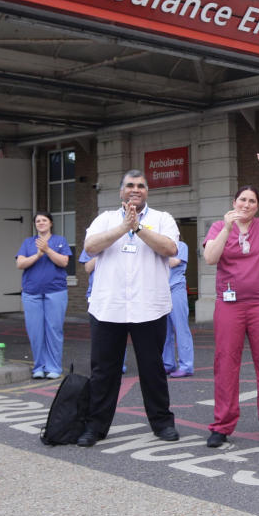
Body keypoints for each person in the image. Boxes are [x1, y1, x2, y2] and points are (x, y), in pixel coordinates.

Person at [77, 170, 181, 446]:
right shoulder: (105, 219)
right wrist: (124, 227)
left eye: (141, 186)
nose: (136, 190)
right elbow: (90, 246)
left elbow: (170, 248)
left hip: (150, 307)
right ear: (121, 191)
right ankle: (95, 427)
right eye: (130, 185)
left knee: (153, 369)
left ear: (147, 191)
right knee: (103, 372)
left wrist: (138, 228)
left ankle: (162, 424)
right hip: (108, 307)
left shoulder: (162, 219)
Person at [203, 152, 259, 448]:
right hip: (229, 305)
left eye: (252, 202)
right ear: (234, 203)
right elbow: (209, 258)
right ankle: (222, 425)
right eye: (242, 200)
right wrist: (228, 228)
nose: (246, 205)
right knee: (226, 363)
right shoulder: (219, 227)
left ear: (257, 207)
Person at [16, 212, 72, 380]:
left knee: (54, 330)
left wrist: (47, 250)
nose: (40, 223)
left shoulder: (60, 241)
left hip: (56, 291)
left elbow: (64, 262)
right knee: (35, 331)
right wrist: (38, 255)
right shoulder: (28, 242)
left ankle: (54, 367)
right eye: (38, 221)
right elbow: (20, 263)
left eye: (44, 220)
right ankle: (39, 367)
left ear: (51, 223)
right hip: (31, 292)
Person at [162, 239, 194, 377]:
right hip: (162, 291)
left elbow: (174, 262)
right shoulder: (160, 247)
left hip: (176, 289)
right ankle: (168, 364)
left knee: (181, 328)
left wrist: (155, 260)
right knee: (164, 331)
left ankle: (186, 365)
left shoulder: (181, 246)